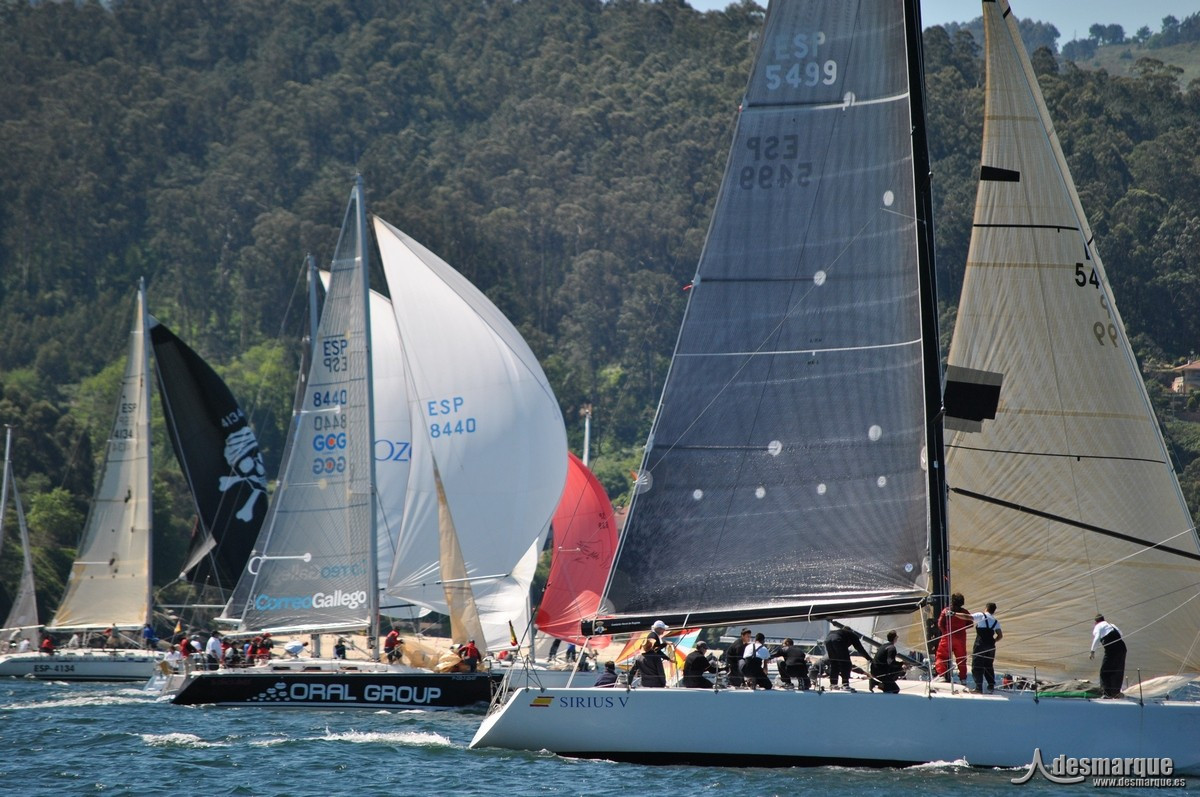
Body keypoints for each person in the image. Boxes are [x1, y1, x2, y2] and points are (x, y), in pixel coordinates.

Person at [935, 592, 973, 683]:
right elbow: (971, 624)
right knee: (961, 659)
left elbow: (940, 624)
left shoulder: (946, 610)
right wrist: (962, 628)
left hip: (947, 637)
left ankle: (942, 675)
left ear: (952, 601)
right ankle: (963, 679)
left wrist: (945, 632)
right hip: (960, 638)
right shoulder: (964, 612)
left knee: (941, 656)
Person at [1090, 614, 1127, 698]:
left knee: (1104, 671)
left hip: (1112, 650)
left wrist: (1092, 651)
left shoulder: (1098, 626)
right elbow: (1121, 633)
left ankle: (1106, 694)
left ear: (1095, 622)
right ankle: (1116, 692)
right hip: (1122, 648)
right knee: (1117, 670)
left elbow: (1097, 637)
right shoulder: (1111, 625)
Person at [971, 602, 1003, 693]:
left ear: (986, 608)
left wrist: (954, 614)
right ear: (993, 611)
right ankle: (991, 685)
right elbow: (1000, 636)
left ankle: (978, 688)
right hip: (991, 646)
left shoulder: (981, 615)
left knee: (977, 665)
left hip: (980, 644)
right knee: (988, 665)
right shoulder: (995, 621)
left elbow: (968, 617)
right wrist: (993, 641)